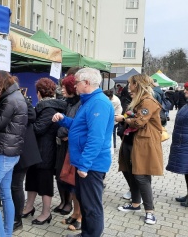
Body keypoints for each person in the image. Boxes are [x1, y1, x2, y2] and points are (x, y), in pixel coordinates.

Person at [52, 68, 114, 237]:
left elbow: (96, 137)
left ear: (86, 83)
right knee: (86, 202)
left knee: (92, 205)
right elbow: (81, 127)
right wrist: (64, 120)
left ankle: (91, 234)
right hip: (84, 162)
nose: (75, 86)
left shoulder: (98, 103)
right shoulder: (89, 101)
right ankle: (86, 233)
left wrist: (85, 165)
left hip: (92, 164)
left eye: (77, 82)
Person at [0, 71, 27, 237]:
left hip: (3, 153)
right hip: (11, 153)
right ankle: (6, 233)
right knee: (6, 195)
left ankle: (2, 234)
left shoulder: (9, 100)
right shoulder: (16, 96)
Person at [114, 74, 163, 225]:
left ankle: (150, 211)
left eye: (131, 83)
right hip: (131, 141)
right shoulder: (139, 100)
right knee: (128, 171)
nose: (129, 86)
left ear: (138, 84)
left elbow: (140, 122)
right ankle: (135, 204)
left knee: (141, 176)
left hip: (143, 143)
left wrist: (124, 119)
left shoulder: (148, 101)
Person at [23, 78, 66, 226]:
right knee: (32, 179)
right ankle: (29, 207)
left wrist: (25, 122)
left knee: (45, 183)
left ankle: (46, 213)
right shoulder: (44, 106)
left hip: (46, 151)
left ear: (39, 93)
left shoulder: (49, 108)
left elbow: (38, 128)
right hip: (37, 150)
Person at [54, 75, 82, 231]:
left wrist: (64, 131)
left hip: (75, 147)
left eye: (65, 87)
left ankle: (80, 217)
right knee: (72, 185)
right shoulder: (70, 103)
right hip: (69, 147)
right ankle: (75, 213)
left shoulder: (80, 104)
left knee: (78, 186)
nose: (62, 89)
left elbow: (75, 125)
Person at [11, 94, 41, 231]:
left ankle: (16, 220)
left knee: (15, 185)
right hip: (21, 149)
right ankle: (16, 218)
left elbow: (32, 117)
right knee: (15, 185)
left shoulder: (16, 100)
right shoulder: (20, 99)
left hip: (21, 150)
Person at [166, 82, 188, 207]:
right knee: (186, 171)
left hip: (185, 143)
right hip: (183, 143)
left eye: (187, 90)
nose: (185, 92)